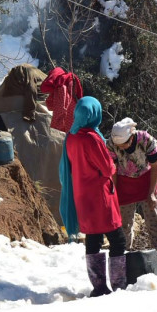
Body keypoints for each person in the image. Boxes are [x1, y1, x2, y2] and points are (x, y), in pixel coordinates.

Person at [59, 97, 127, 296]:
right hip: (100, 196)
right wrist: (113, 164)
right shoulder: (91, 138)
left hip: (82, 195)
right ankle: (118, 286)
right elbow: (107, 168)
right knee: (117, 239)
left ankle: (98, 287)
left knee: (93, 238)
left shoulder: (71, 137)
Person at [108, 117, 157, 255]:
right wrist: (114, 190)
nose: (121, 147)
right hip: (124, 182)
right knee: (124, 221)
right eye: (119, 145)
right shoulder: (111, 144)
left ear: (132, 137)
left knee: (153, 217)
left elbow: (155, 166)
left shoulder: (146, 140)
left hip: (147, 180)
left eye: (124, 144)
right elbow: (113, 168)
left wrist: (151, 193)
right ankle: (125, 251)